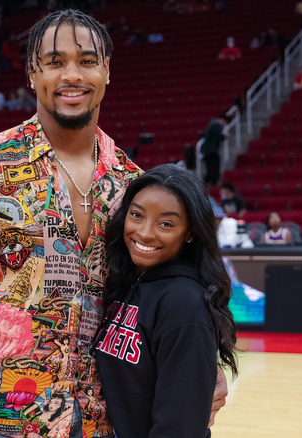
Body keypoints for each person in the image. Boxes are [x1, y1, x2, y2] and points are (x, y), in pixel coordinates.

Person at [0, 10, 229, 438]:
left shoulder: (133, 186)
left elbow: (174, 291)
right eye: (55, 62)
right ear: (32, 74)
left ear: (106, 71)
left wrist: (206, 366)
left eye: (88, 61)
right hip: (5, 423)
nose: (72, 74)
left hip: (106, 423)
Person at [95, 164, 238, 438]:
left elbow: (180, 427)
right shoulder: (128, 283)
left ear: (190, 232)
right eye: (137, 215)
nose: (146, 233)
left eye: (166, 224)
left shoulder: (185, 304)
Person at [200, 114, 227, 186]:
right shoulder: (216, 125)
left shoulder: (211, 125)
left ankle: (204, 186)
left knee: (210, 172)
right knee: (214, 171)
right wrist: (225, 135)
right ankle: (212, 186)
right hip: (212, 152)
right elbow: (219, 136)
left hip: (208, 152)